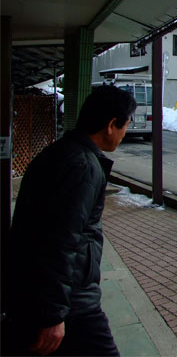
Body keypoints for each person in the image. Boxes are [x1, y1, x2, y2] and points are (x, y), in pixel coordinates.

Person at [3, 85, 136, 356]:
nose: (125, 133)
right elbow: (60, 241)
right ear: (111, 125)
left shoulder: (59, 152)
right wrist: (53, 315)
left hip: (39, 294)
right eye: (125, 125)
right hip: (72, 303)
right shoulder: (82, 167)